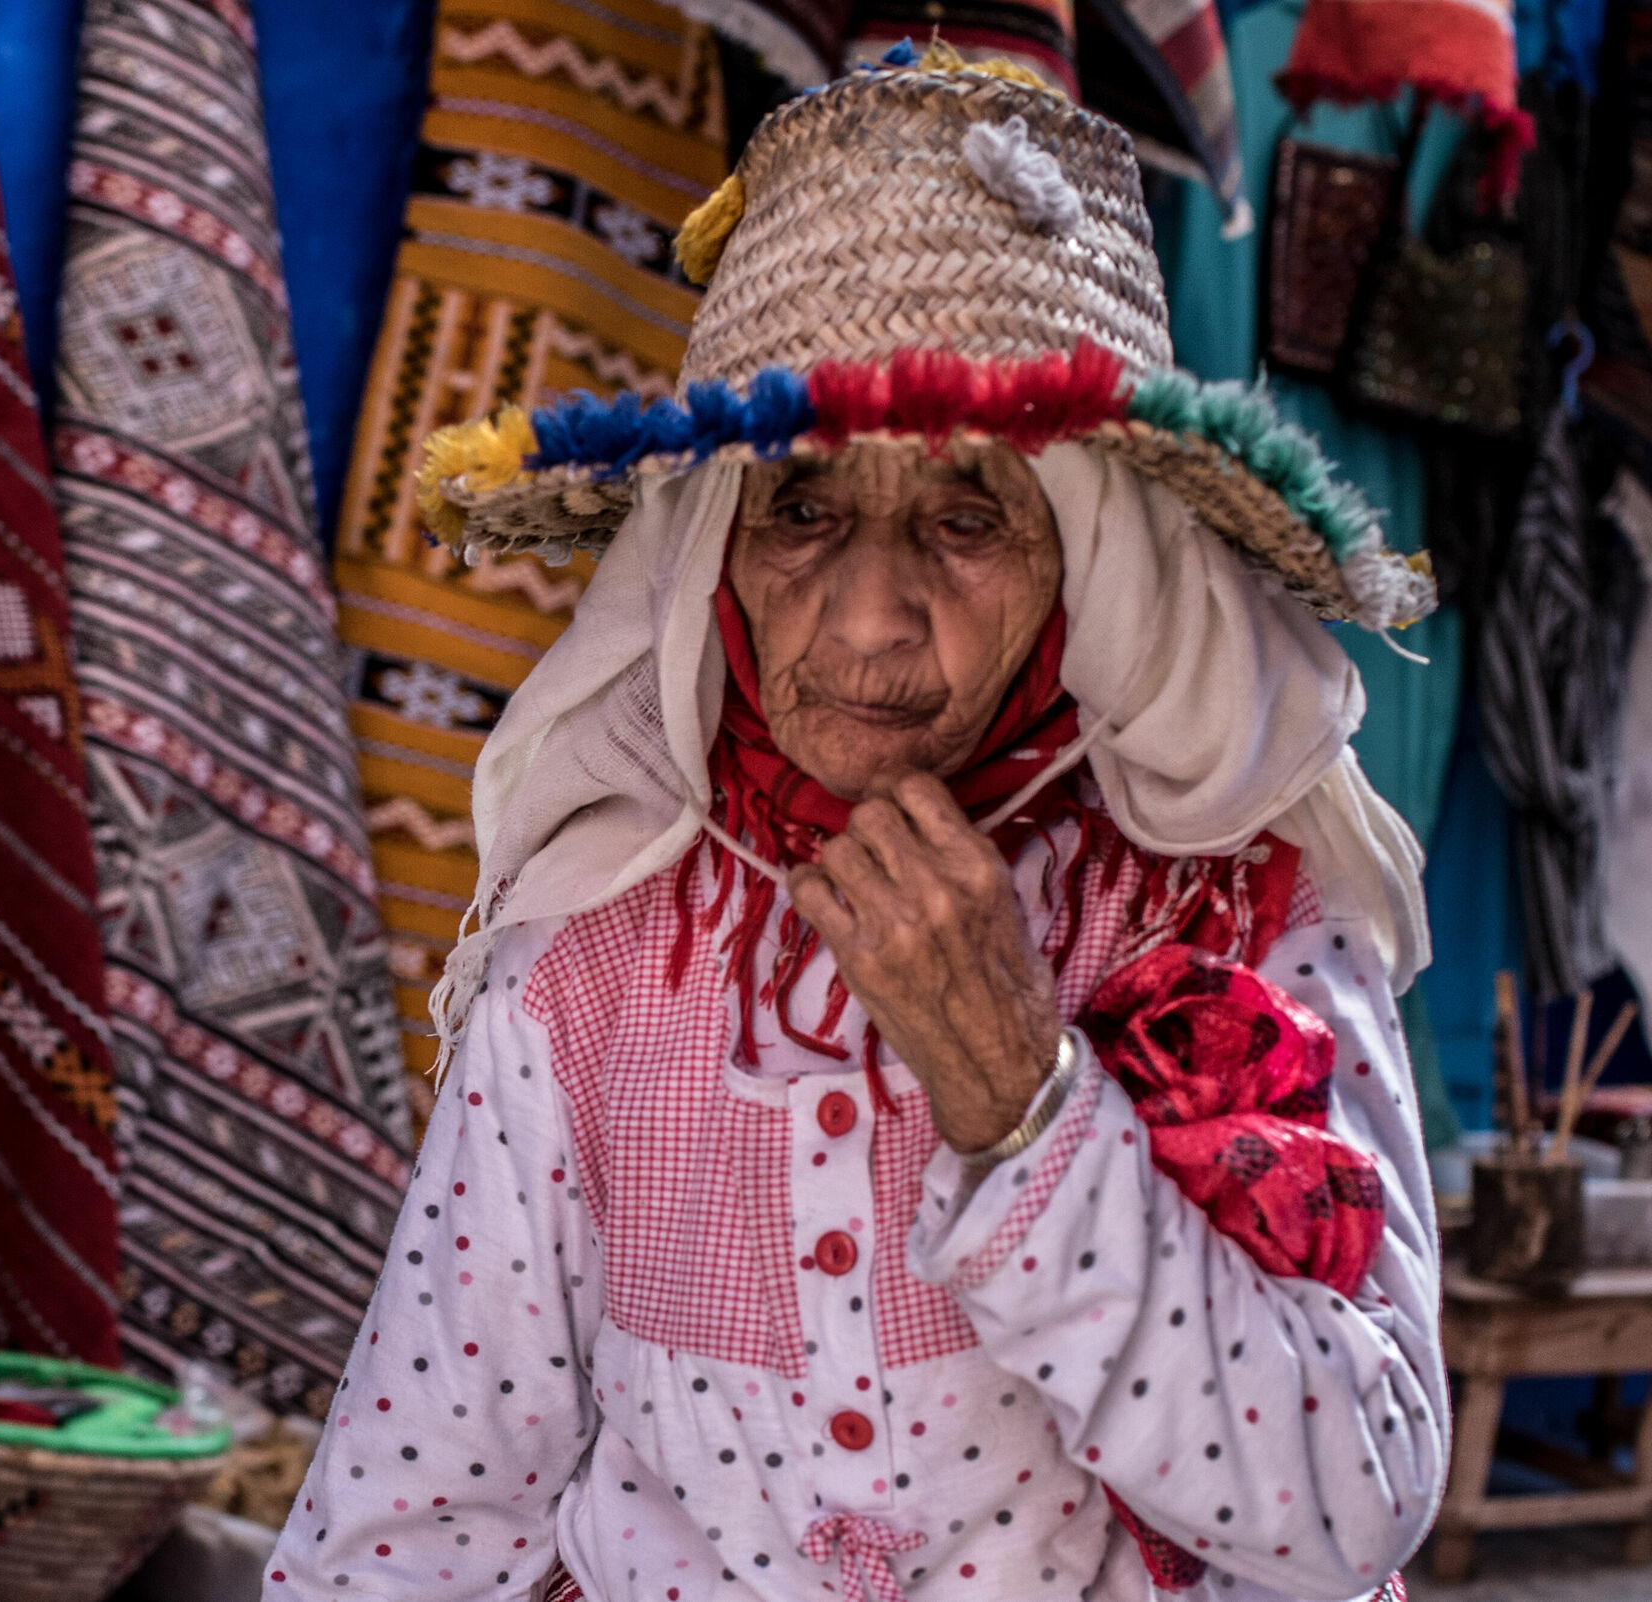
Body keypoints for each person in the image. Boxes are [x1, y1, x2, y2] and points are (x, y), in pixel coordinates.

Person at [266, 43, 1446, 1602]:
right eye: (804, 508)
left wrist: (1026, 1100)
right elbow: (411, 1522)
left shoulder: (1233, 912)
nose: (870, 616)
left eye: (968, 519)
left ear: (1088, 567)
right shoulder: (597, 950)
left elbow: (1352, 1503)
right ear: (717, 546)